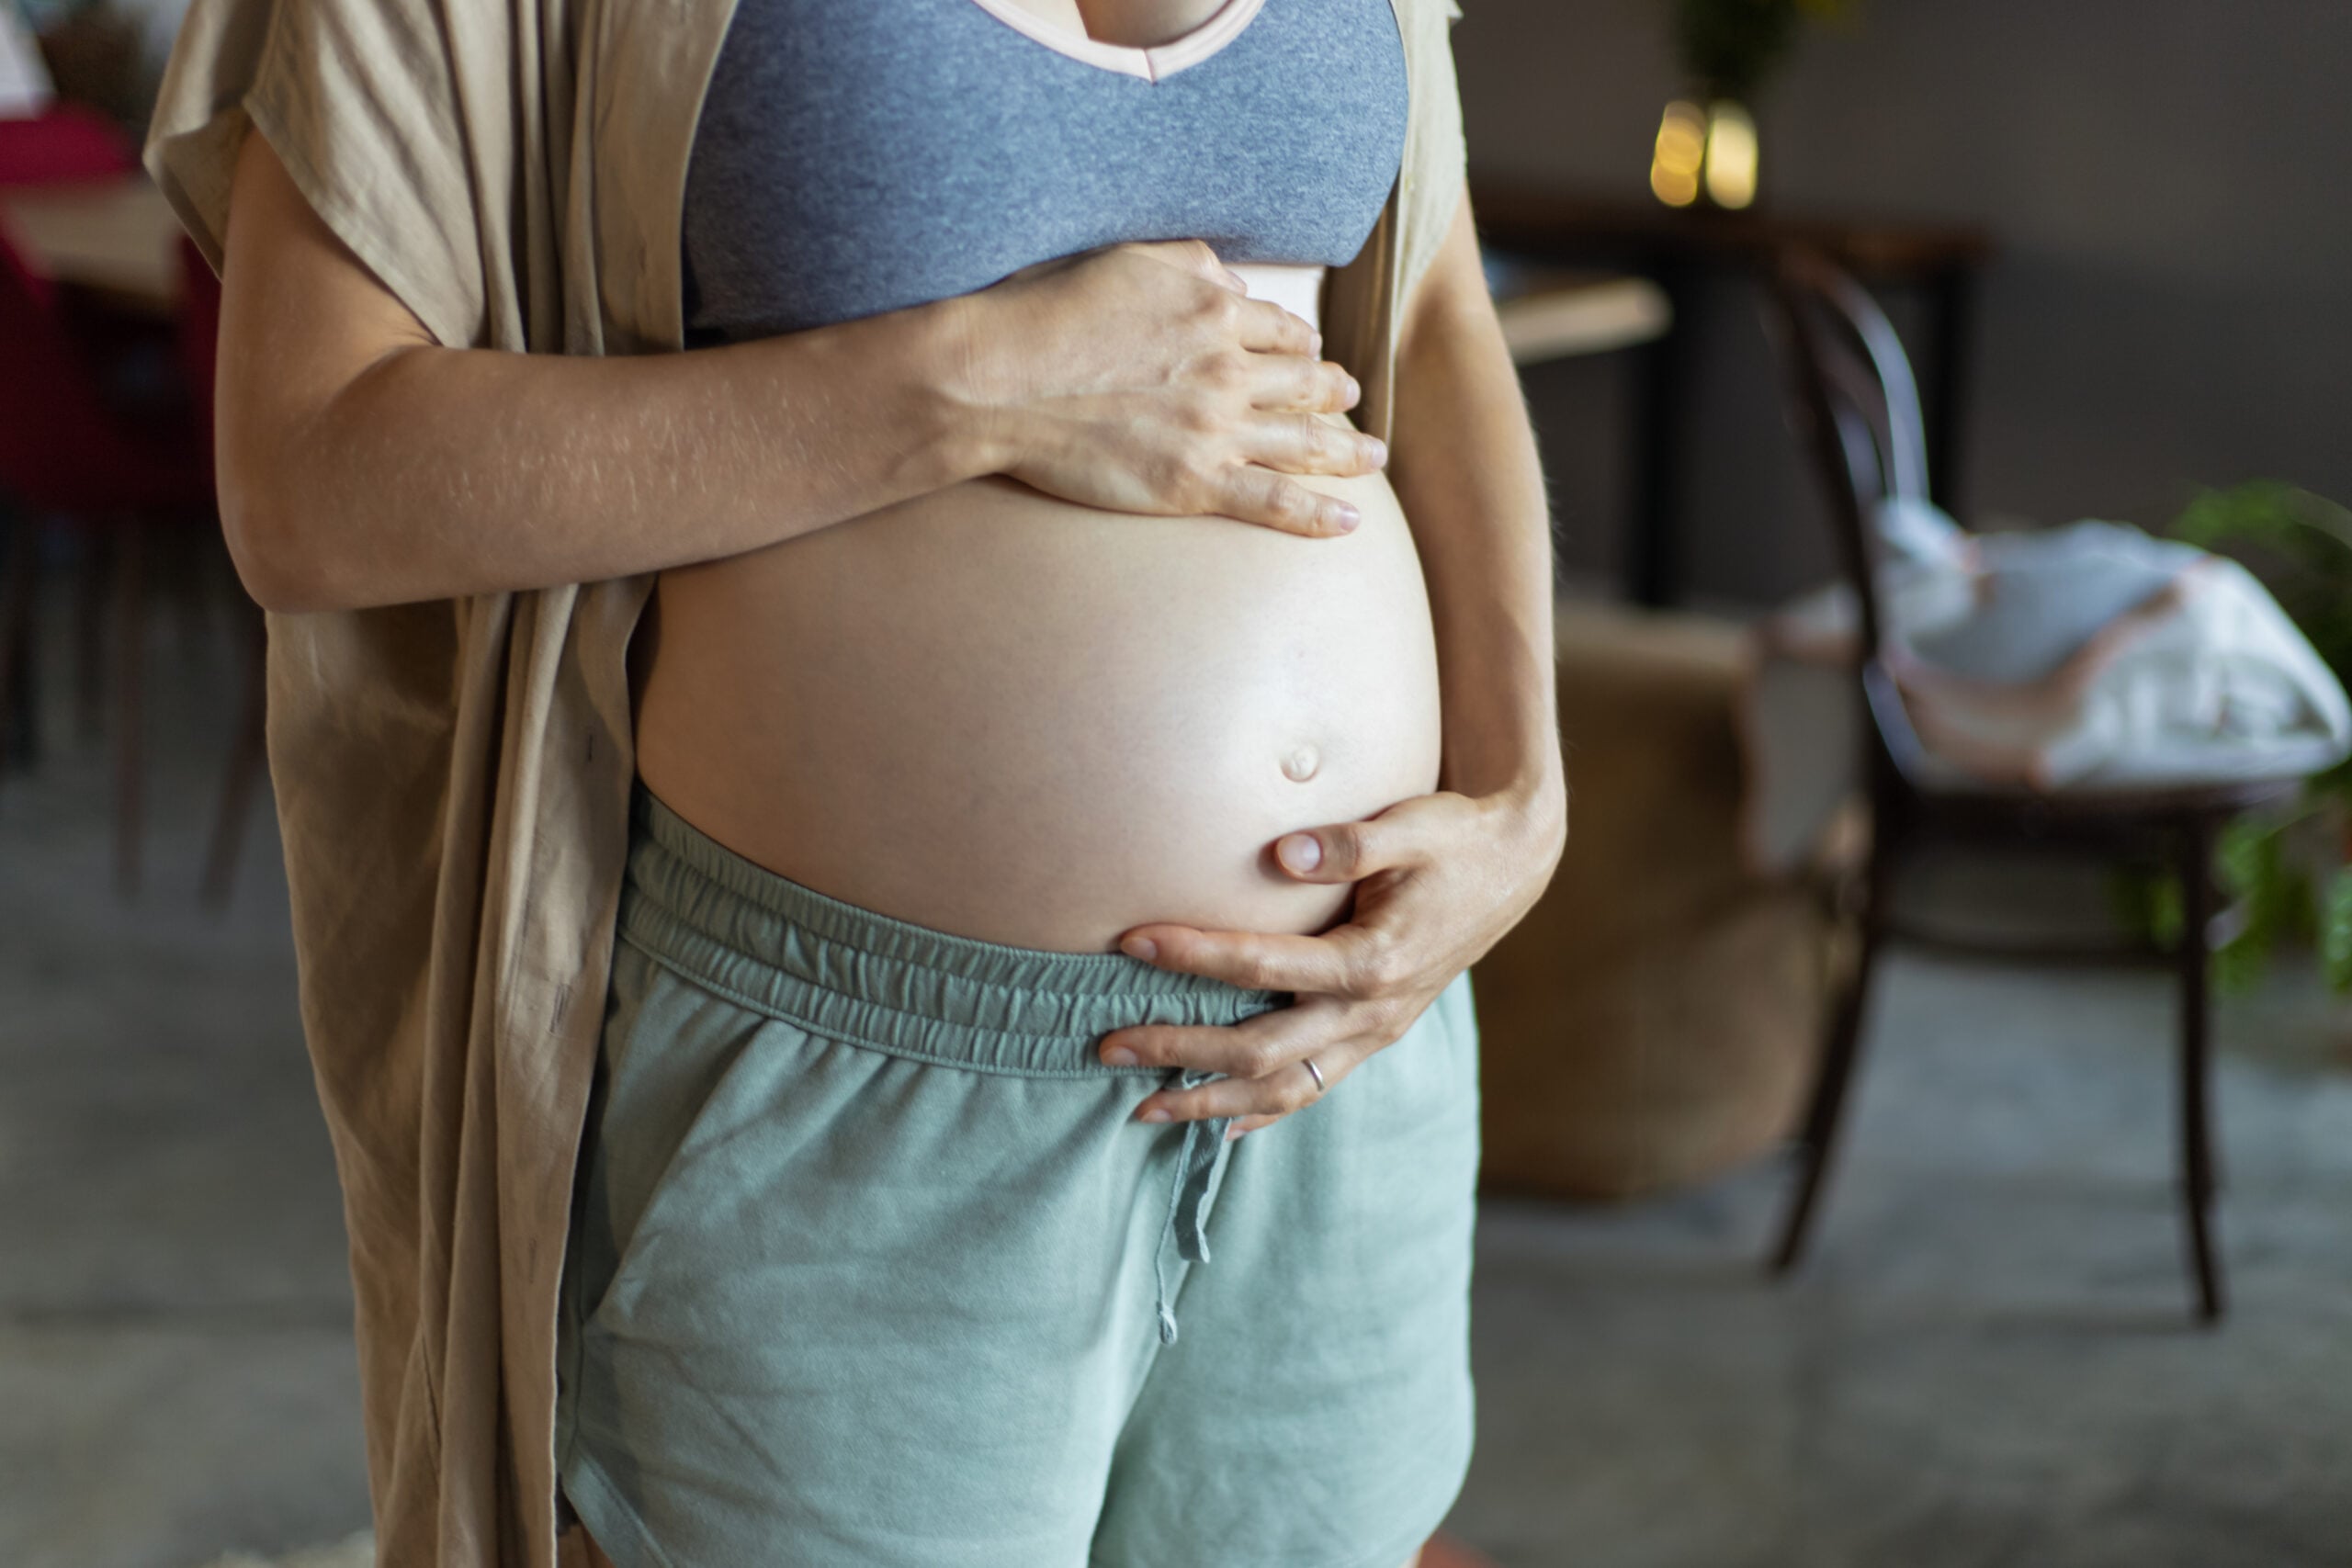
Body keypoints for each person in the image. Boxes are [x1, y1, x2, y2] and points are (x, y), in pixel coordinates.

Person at [149, 0, 1562, 1562]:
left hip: (1340, 1060)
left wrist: (1523, 797)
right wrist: (966, 389)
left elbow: (1427, 297)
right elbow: (311, 477)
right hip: (850, 1087)